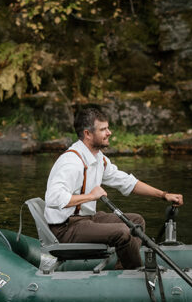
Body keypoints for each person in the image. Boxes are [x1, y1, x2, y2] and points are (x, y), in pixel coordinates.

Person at [45, 106, 183, 269]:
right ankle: (135, 272)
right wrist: (90, 196)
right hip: (66, 229)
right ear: (88, 134)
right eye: (103, 129)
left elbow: (127, 182)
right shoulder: (71, 162)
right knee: (122, 231)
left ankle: (122, 267)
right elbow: (53, 198)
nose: (109, 132)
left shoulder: (98, 158)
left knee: (136, 221)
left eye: (107, 128)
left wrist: (163, 195)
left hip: (87, 219)